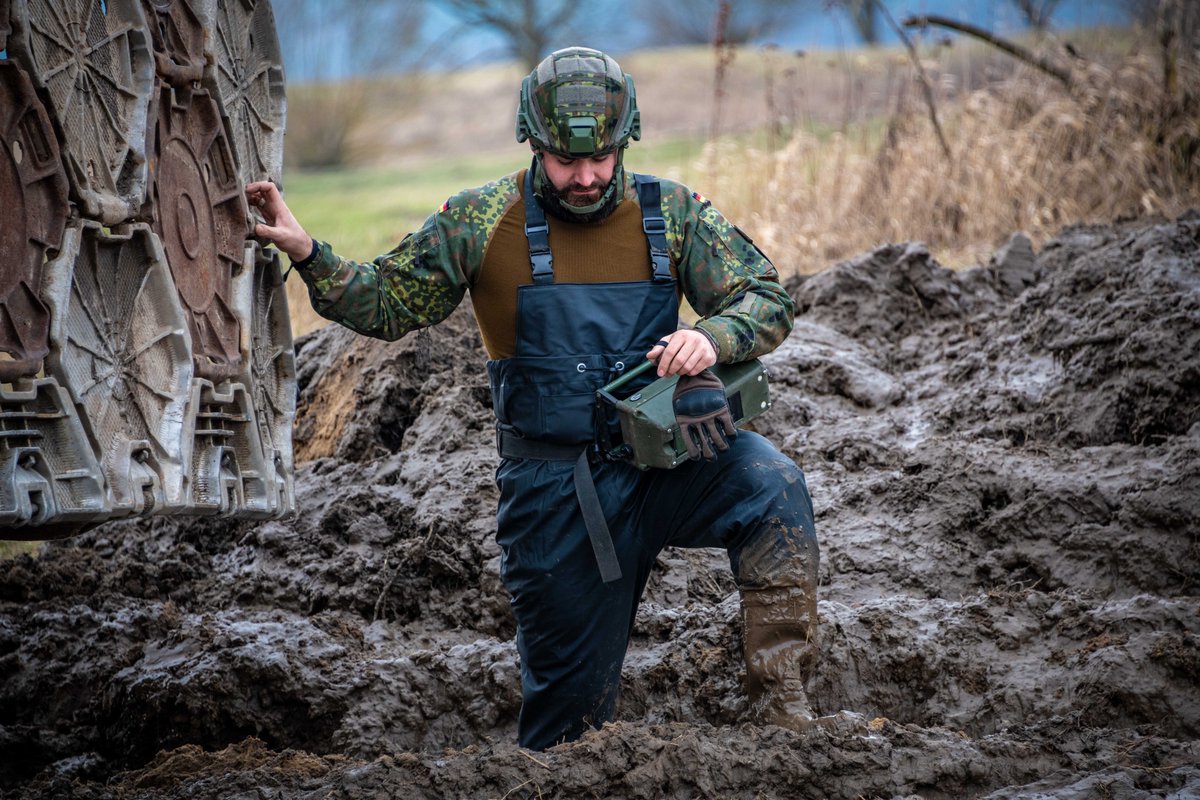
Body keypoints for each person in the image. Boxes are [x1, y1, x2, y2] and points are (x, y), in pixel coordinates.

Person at [248, 46, 826, 751]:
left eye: (602, 158)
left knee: (773, 486)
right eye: (564, 160)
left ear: (626, 139)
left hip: (669, 468)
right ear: (532, 141)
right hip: (556, 498)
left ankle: (785, 716)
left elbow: (766, 298)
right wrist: (308, 250)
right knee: (565, 732)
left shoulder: (671, 214)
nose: (585, 177)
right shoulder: (483, 219)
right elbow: (386, 302)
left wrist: (713, 340)